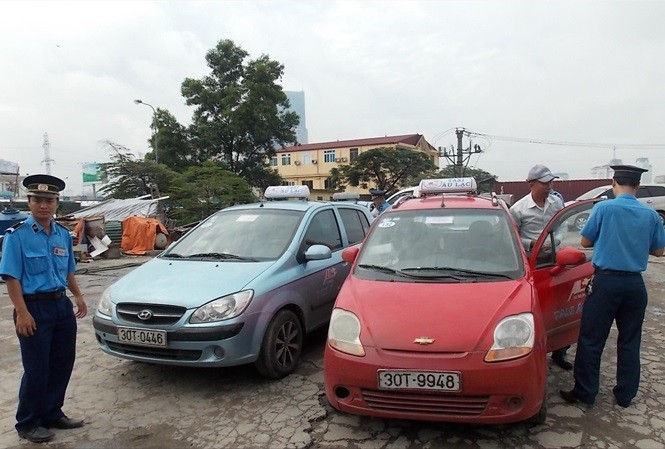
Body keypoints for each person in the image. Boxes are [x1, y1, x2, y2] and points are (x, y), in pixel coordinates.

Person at [560, 165, 665, 408]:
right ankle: (625, 395)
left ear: (613, 182)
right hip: (634, 286)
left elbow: (585, 241)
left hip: (606, 283)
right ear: (638, 187)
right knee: (630, 341)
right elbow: (659, 251)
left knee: (591, 339)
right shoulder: (650, 215)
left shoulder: (604, 208)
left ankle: (586, 393)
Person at [0, 174, 87, 443]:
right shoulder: (17, 236)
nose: (43, 205)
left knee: (62, 363)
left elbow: (69, 270)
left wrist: (79, 297)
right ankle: (27, 422)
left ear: (56, 203)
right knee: (37, 368)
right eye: (37, 200)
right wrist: (22, 312)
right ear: (29, 202)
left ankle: (52, 413)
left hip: (61, 306)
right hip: (33, 308)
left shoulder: (62, 234)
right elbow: (11, 276)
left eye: (49, 200)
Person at [509, 164, 572, 370]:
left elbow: (563, 224)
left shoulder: (556, 202)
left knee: (559, 303)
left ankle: (560, 350)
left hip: (555, 257)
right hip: (532, 261)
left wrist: (557, 240)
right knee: (536, 303)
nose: (549, 187)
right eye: (545, 183)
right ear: (531, 184)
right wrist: (531, 244)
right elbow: (513, 235)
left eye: (551, 183)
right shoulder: (518, 209)